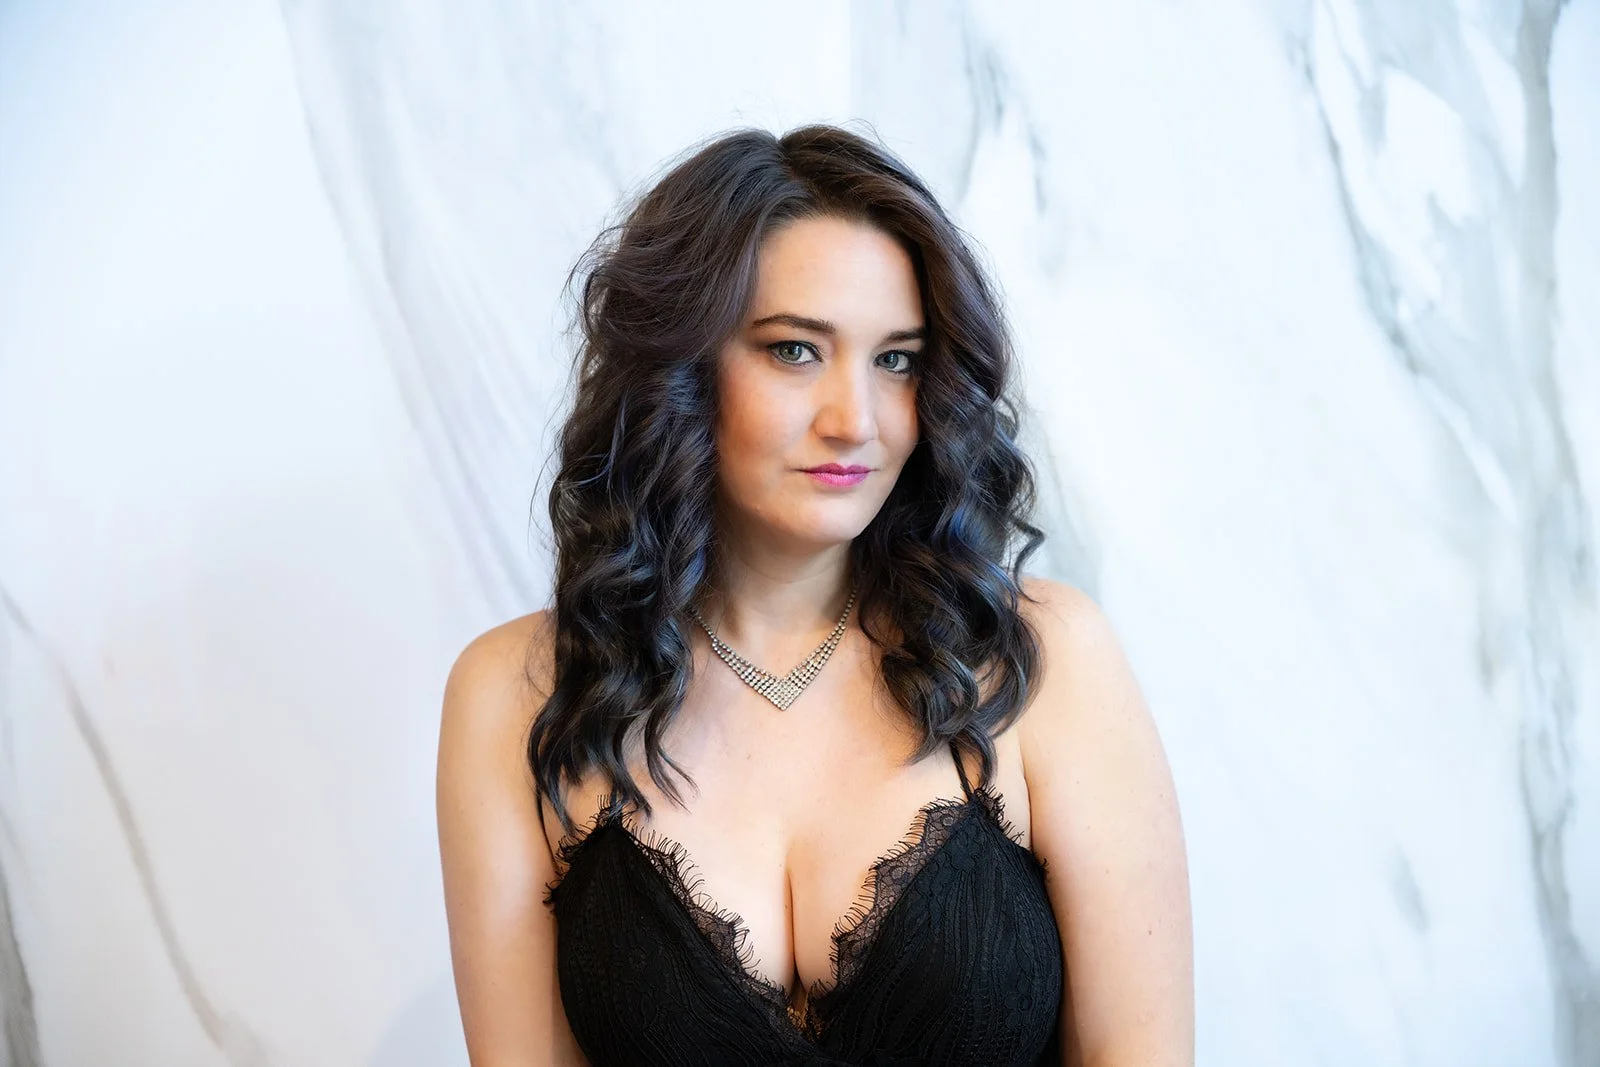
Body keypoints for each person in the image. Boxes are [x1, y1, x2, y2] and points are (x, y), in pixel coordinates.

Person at [436, 123, 1193, 1066]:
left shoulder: (1044, 662)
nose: (855, 420)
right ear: (681, 367)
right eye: (795, 350)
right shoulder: (514, 693)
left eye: (897, 360)